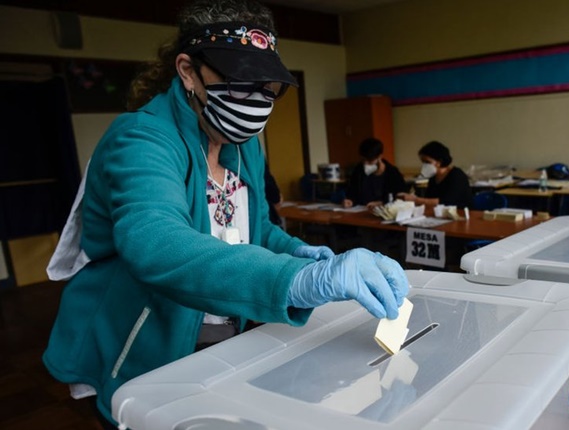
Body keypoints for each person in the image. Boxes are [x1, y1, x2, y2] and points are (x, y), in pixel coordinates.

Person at [42, 1, 409, 427]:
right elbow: (156, 243)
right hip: (145, 334)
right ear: (187, 70)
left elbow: (255, 228)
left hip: (219, 324)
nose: (256, 100)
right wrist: (295, 280)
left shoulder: (242, 144)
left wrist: (305, 256)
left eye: (268, 87)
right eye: (239, 82)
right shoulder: (142, 138)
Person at [398, 140, 472, 208]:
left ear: (439, 162)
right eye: (423, 162)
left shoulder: (456, 175)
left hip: (461, 215)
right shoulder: (433, 177)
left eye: (427, 162)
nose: (424, 165)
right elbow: (429, 199)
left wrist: (415, 200)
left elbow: (446, 202)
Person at [342, 137, 407, 209]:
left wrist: (382, 203)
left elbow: (401, 197)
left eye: (370, 161)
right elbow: (352, 192)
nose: (365, 164)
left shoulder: (392, 173)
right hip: (361, 211)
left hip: (384, 213)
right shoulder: (358, 170)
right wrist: (350, 201)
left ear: (380, 157)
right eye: (363, 160)